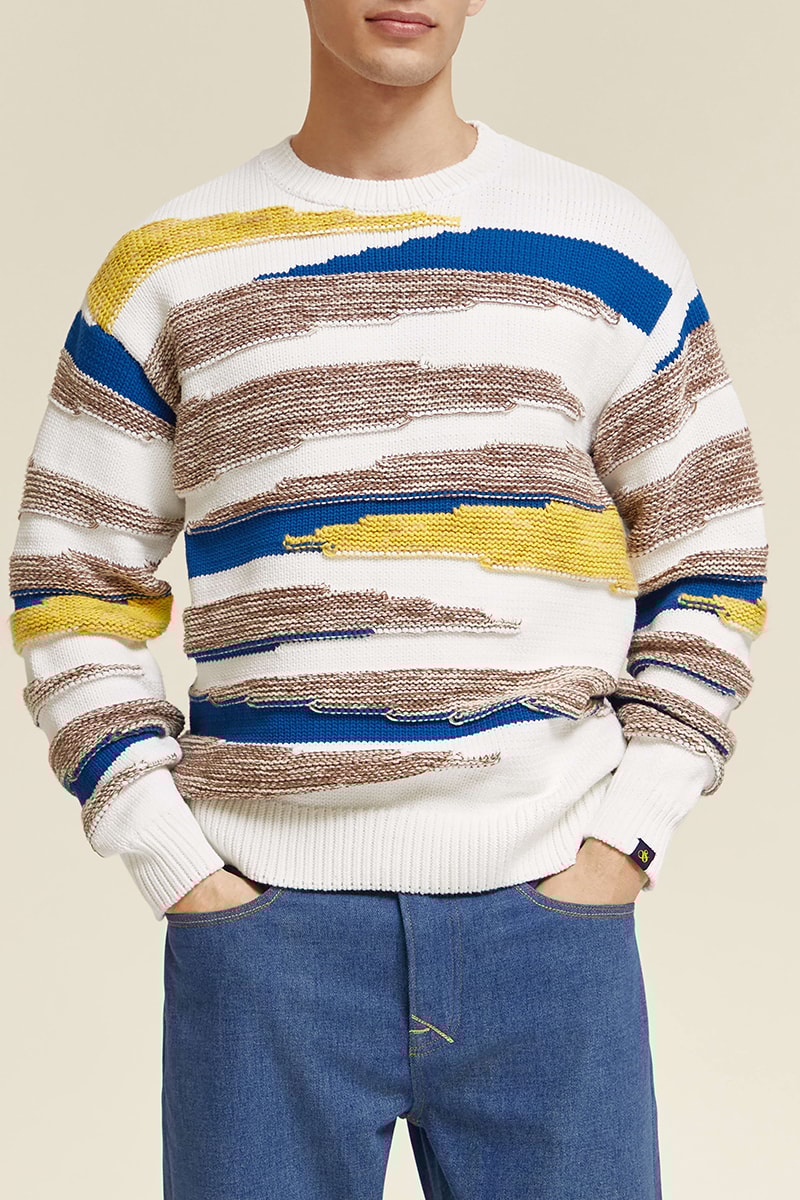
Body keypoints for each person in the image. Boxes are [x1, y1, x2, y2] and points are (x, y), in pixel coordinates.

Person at [8, 2, 768, 1197]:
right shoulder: (169, 270)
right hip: (265, 947)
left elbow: (711, 553)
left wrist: (628, 831)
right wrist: (167, 852)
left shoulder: (607, 249)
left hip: (548, 931)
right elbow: (70, 580)